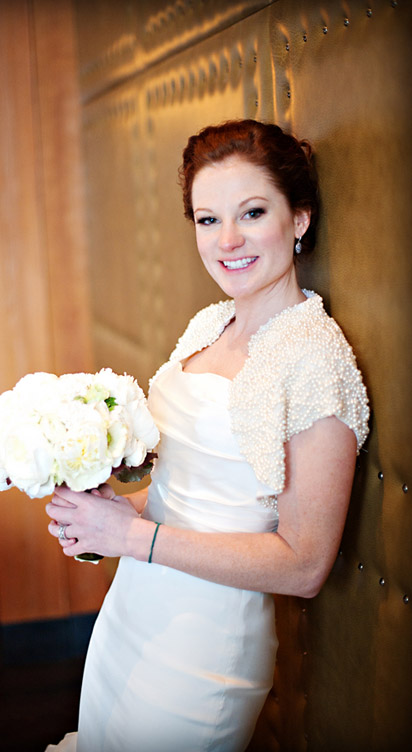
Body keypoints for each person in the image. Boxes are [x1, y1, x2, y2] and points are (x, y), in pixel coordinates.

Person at [45, 119, 369, 752]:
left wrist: (134, 537)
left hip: (203, 651)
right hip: (132, 613)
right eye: (207, 220)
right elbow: (182, 484)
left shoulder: (315, 360)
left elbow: (305, 565)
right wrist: (112, 508)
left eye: (252, 212)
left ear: (299, 218)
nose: (229, 241)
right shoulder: (208, 324)